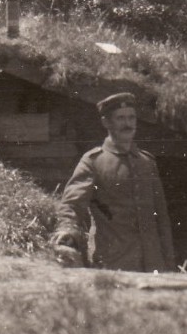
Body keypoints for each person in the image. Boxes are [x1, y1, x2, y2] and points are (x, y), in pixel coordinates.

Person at [52, 92, 176, 272]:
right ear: (106, 123)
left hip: (152, 264)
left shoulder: (147, 162)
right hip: (113, 262)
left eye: (131, 118)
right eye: (120, 118)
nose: (128, 124)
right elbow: (72, 204)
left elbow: (161, 218)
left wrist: (169, 262)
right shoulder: (93, 161)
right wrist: (67, 229)